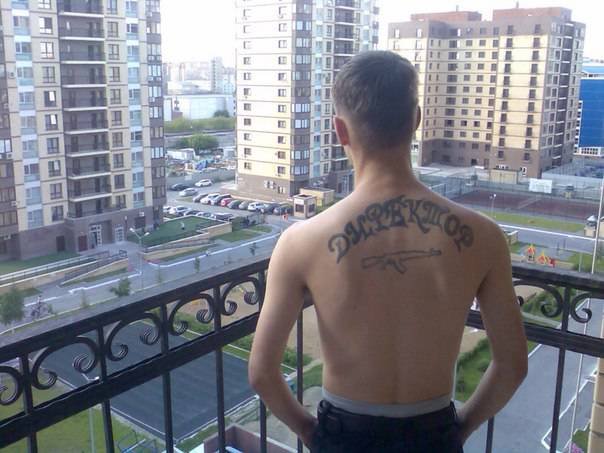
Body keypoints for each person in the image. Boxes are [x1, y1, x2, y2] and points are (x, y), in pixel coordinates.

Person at [248, 51, 527, 452]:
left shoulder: (301, 242)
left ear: (339, 131)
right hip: (434, 432)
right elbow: (512, 366)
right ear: (416, 121)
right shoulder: (483, 236)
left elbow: (262, 373)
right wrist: (458, 430)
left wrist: (313, 434)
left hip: (344, 436)